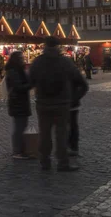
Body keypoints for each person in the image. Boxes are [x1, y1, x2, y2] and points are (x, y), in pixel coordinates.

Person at [29, 36, 87, 172]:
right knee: (61, 134)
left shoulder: (37, 62)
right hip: (62, 104)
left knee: (44, 133)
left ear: (45, 46)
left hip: (43, 103)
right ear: (58, 46)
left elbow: (30, 82)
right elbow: (82, 84)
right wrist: (73, 99)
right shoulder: (65, 62)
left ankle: (45, 162)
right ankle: (62, 163)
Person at [5, 51, 33, 160]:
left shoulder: (18, 70)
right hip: (18, 102)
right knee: (19, 127)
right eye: (21, 58)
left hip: (20, 102)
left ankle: (20, 149)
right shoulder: (14, 72)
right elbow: (18, 87)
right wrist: (30, 84)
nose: (23, 59)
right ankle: (17, 151)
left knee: (21, 126)